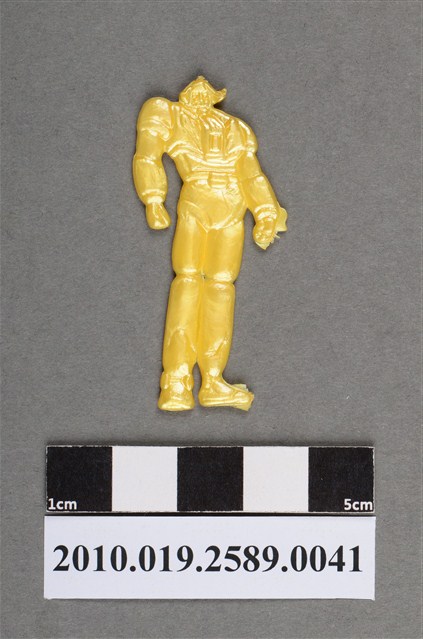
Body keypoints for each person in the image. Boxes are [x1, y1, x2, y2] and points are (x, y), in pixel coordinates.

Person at [133, 76, 287, 411]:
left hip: (232, 206)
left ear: (215, 98)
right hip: (196, 200)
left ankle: (213, 380)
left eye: (207, 94)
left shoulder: (235, 128)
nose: (201, 97)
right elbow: (147, 155)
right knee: (187, 282)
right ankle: (176, 381)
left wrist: (265, 212)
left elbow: (251, 174)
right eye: (195, 93)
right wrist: (153, 198)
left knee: (221, 288)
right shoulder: (169, 115)